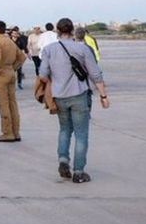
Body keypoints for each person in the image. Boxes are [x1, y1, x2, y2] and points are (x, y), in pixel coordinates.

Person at [38, 18, 110, 183]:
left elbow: (42, 75)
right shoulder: (82, 48)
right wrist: (103, 96)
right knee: (81, 134)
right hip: (79, 95)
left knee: (64, 130)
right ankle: (78, 172)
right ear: (72, 31)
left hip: (59, 96)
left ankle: (63, 160)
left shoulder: (49, 49)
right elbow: (95, 74)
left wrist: (54, 83)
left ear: (57, 31)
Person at [0, 20, 26, 142]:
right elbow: (22, 57)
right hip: (11, 72)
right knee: (13, 104)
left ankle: (7, 132)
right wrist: (13, 68)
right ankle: (16, 132)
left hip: (2, 74)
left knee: (3, 104)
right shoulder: (10, 41)